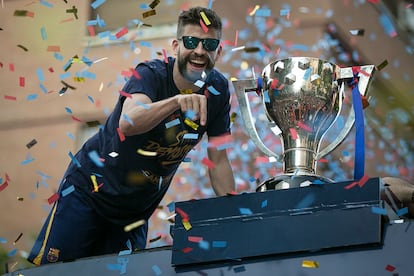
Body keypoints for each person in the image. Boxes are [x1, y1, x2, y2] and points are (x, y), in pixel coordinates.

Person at [28, 6, 235, 265]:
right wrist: (176, 102)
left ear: (219, 51)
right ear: (175, 46)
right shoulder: (150, 74)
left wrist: (236, 216)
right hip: (88, 194)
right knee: (55, 273)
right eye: (191, 41)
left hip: (134, 214)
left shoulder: (218, 91)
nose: (200, 51)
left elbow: (219, 160)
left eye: (209, 44)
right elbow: (128, 122)